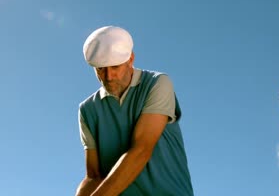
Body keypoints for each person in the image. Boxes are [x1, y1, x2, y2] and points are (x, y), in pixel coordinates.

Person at [75, 26, 194, 196]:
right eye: (101, 69)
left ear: (130, 59)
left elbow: (141, 151)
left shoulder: (157, 84)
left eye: (115, 67)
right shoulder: (87, 110)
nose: (109, 77)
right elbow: (94, 177)